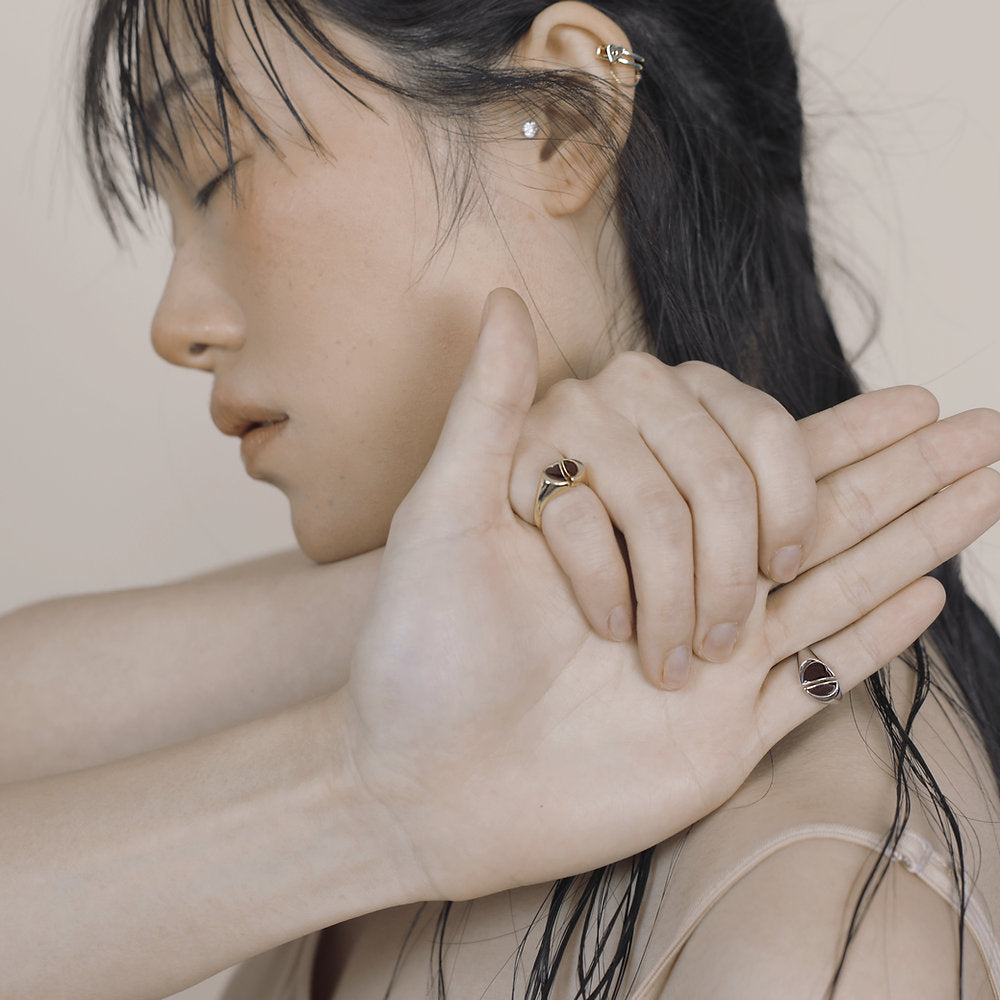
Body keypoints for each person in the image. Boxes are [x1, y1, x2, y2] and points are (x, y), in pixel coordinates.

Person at [2, 1, 999, 998]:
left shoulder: (817, 924)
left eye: (219, 173)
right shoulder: (430, 707)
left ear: (560, 116)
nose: (174, 326)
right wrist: (549, 567)